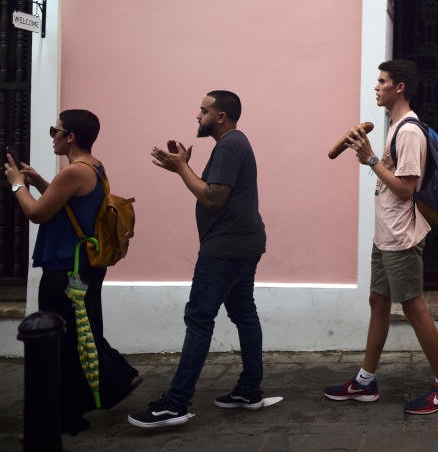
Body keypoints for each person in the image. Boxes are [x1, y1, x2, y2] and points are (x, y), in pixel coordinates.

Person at [323, 59, 438, 415]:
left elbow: (404, 188)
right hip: (385, 234)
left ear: (400, 87)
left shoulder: (410, 131)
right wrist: (372, 158)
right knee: (378, 302)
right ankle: (365, 382)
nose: (376, 87)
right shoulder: (395, 126)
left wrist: (371, 159)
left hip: (402, 236)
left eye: (382, 81)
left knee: (414, 308)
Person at [128, 90, 267, 428]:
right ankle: (249, 391)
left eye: (203, 111)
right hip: (242, 244)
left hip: (225, 249)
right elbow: (214, 191)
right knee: (243, 312)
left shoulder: (230, 145)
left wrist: (180, 169)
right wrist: (185, 166)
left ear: (220, 116)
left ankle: (175, 403)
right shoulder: (232, 145)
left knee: (199, 318)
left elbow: (213, 198)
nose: (198, 116)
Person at [3, 110, 140, 434]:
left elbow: (37, 213)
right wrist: (38, 182)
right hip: (85, 264)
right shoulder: (93, 166)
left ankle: (65, 413)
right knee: (83, 332)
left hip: (67, 268)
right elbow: (70, 203)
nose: (53, 135)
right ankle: (115, 381)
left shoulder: (74, 171)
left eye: (56, 130)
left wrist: (17, 185)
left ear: (70, 137)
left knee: (59, 342)